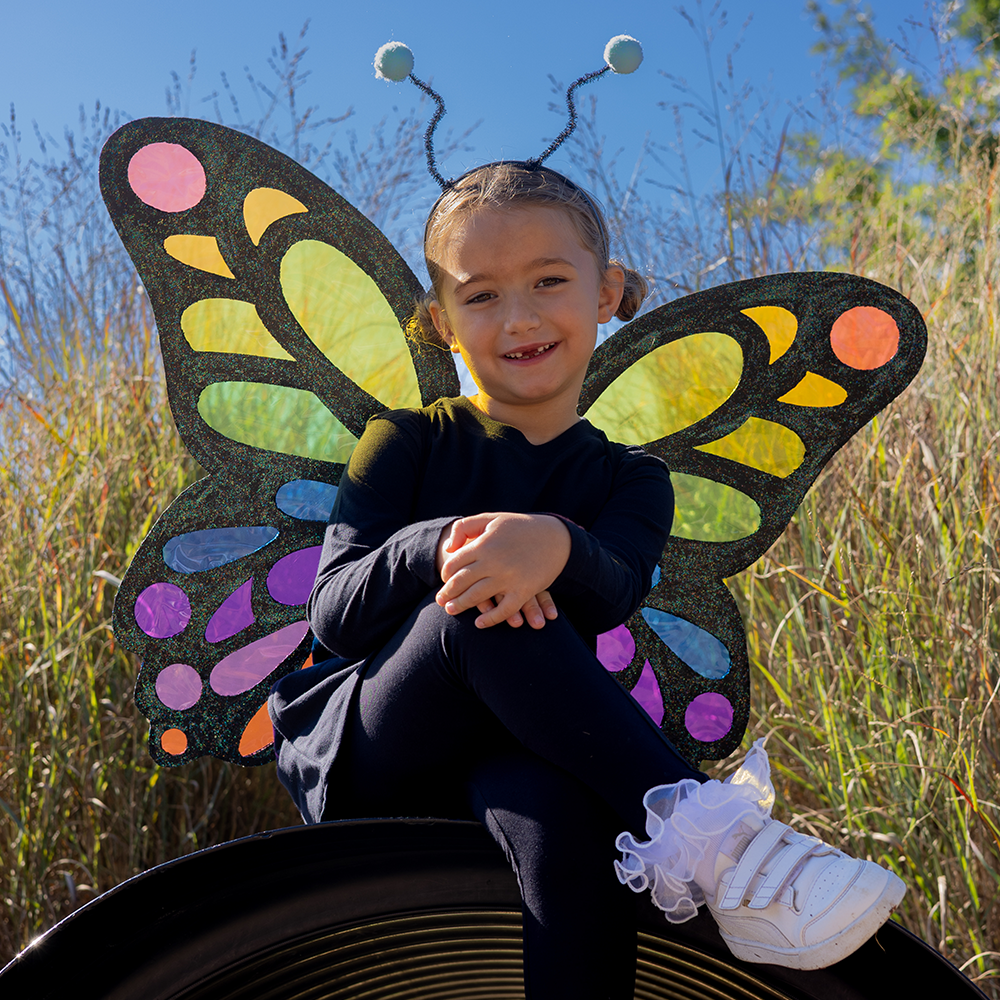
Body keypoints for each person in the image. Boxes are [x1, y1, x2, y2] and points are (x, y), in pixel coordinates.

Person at [268, 162, 905, 998]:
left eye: (548, 282)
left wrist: (557, 545)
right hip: (381, 744)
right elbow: (338, 612)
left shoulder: (632, 481)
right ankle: (719, 840)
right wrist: (447, 545)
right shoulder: (405, 440)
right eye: (482, 295)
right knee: (474, 612)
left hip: (524, 751)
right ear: (442, 323)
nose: (520, 316)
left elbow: (612, 592)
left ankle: (688, 846)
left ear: (605, 294)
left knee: (574, 835)